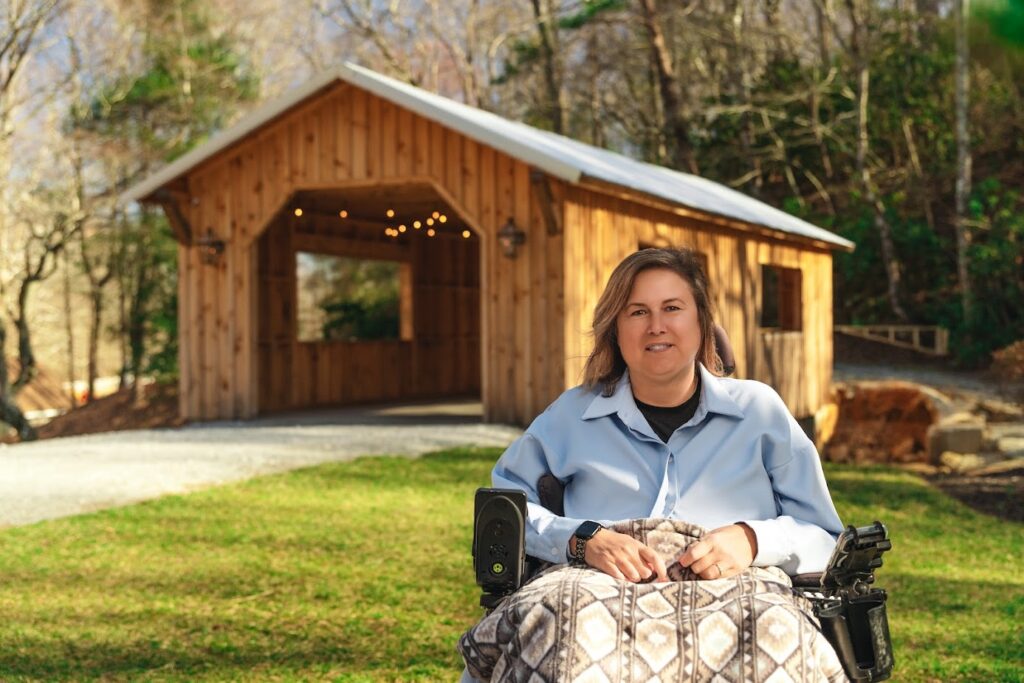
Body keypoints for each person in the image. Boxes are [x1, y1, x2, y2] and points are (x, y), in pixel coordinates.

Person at [491, 247, 844, 583]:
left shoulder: (760, 412)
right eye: (638, 311)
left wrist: (752, 540)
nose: (656, 326)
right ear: (616, 330)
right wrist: (583, 539)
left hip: (740, 599)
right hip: (594, 601)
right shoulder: (571, 415)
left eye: (672, 308)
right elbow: (505, 509)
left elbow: (825, 535)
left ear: (702, 322)